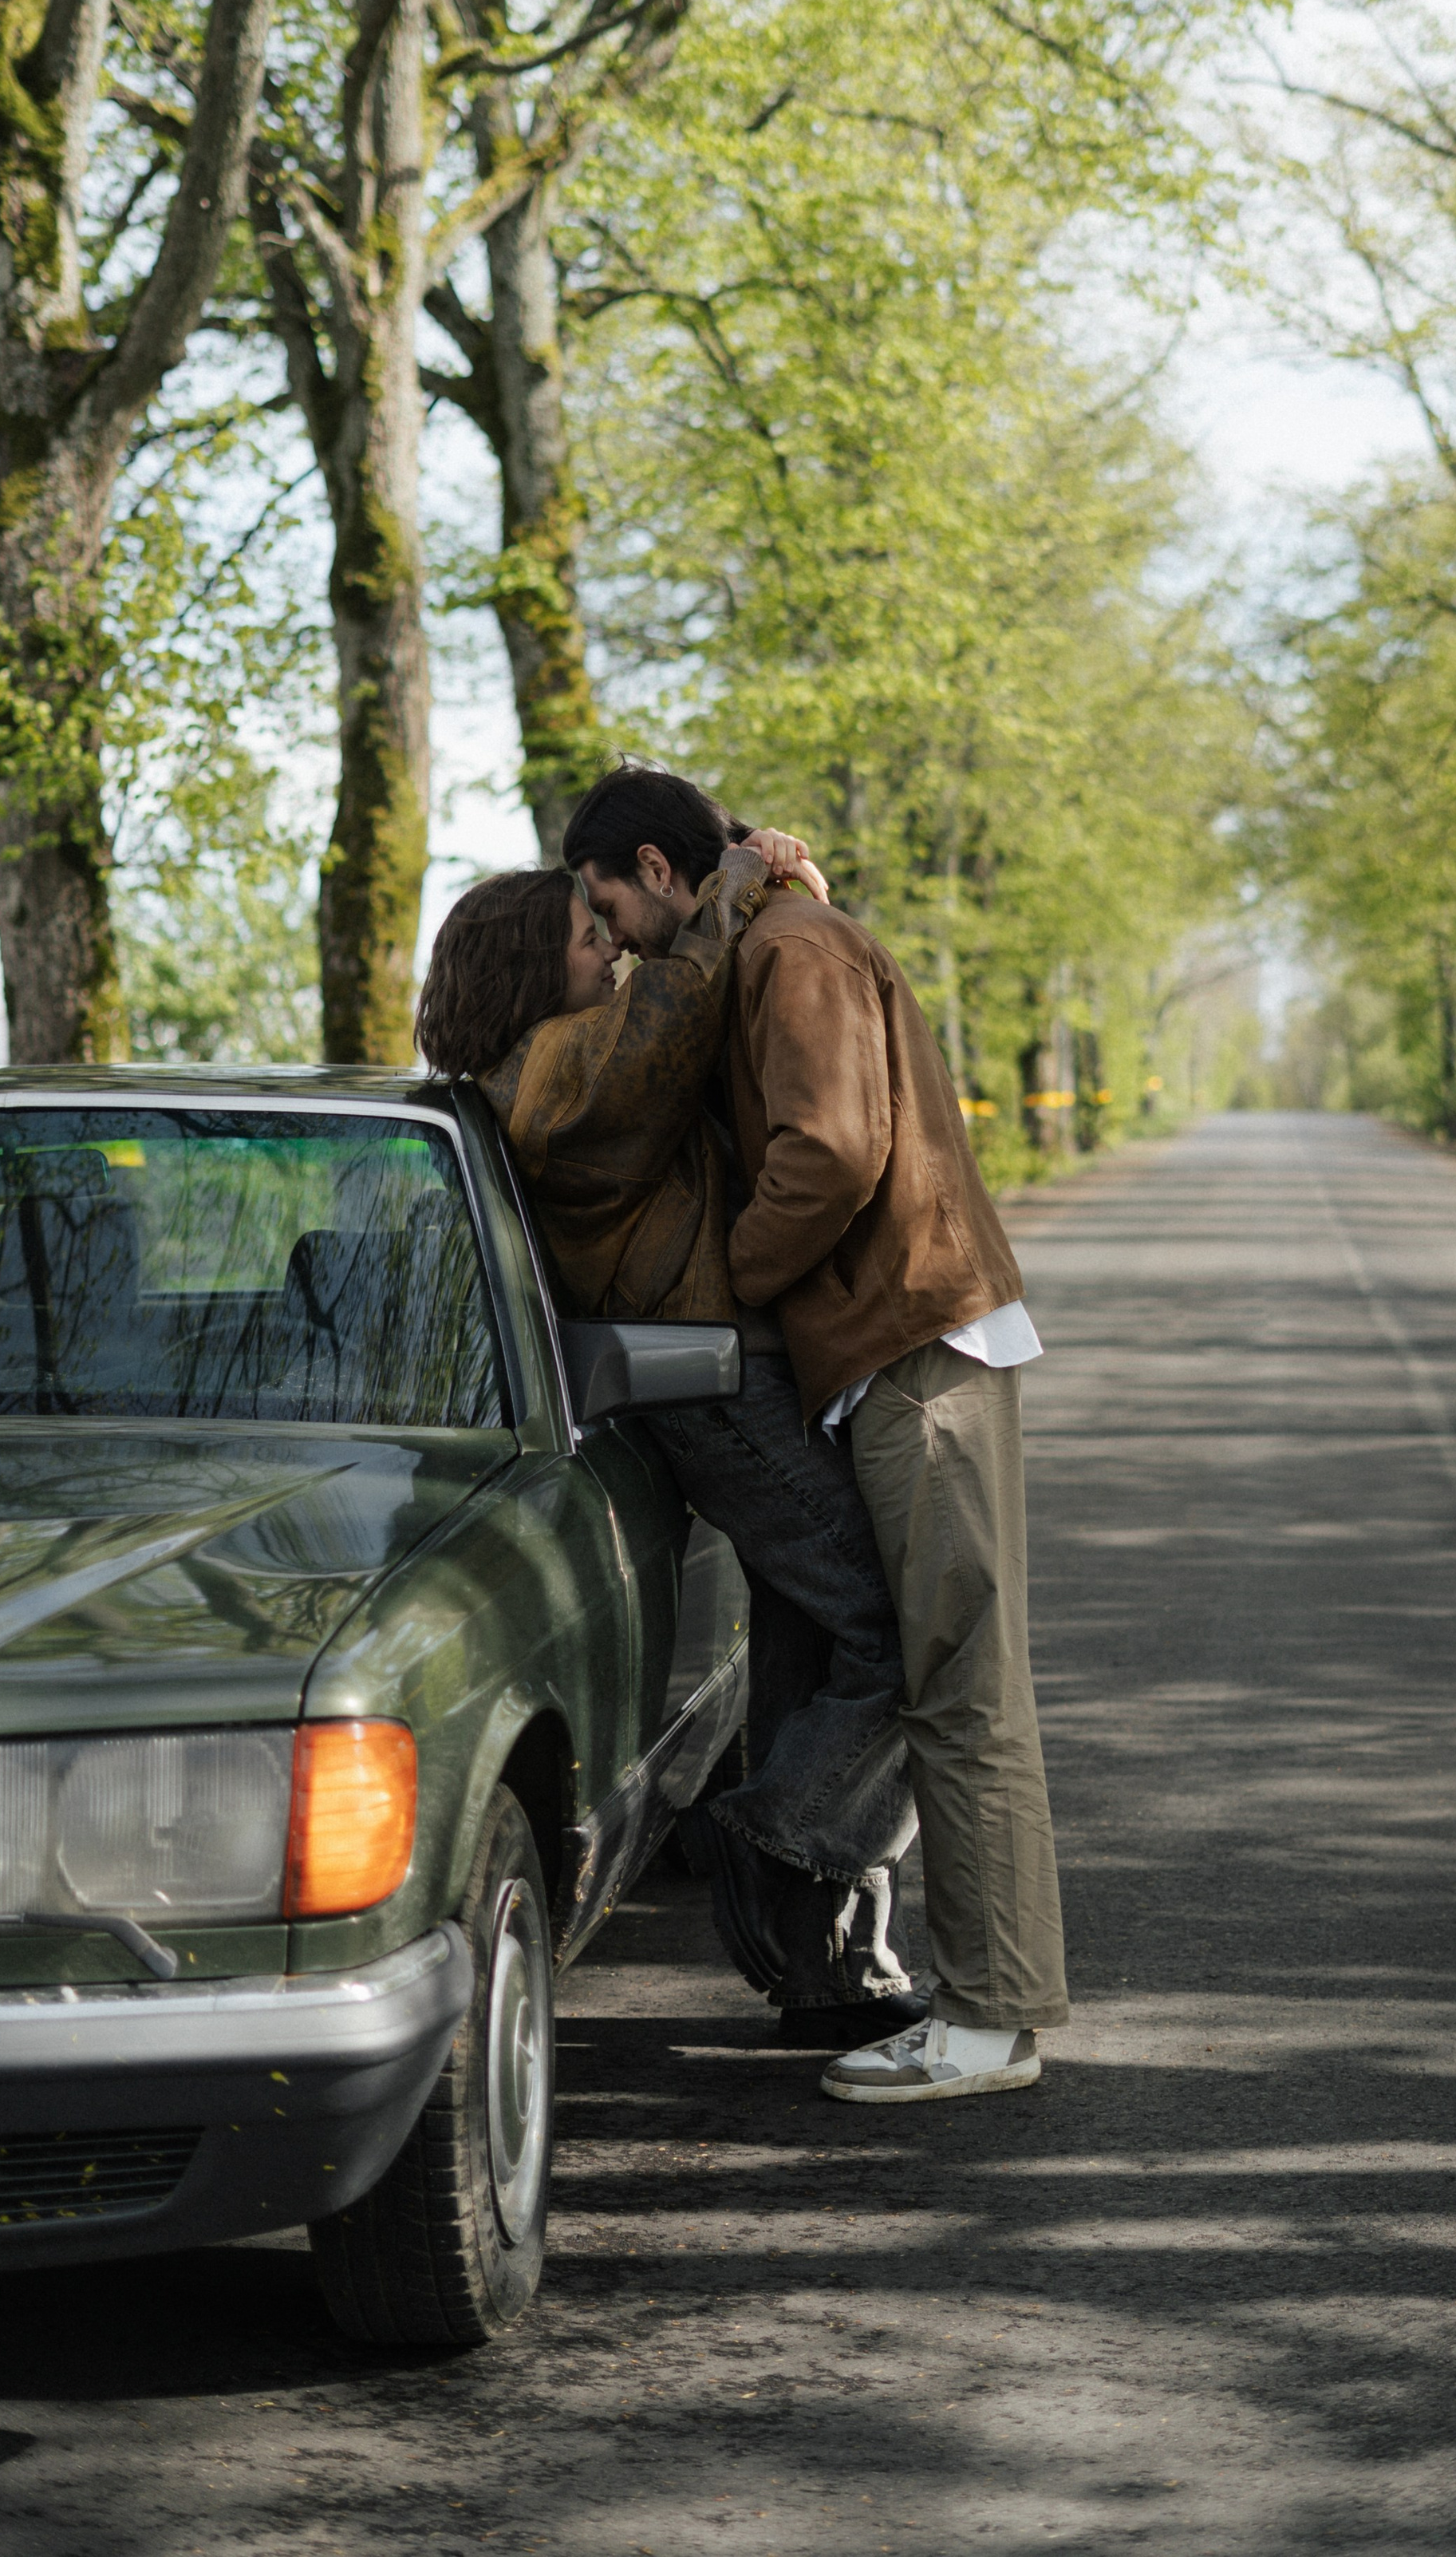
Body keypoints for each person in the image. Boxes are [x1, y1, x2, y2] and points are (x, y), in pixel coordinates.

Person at [564, 765, 1069, 2107]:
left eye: (611, 907)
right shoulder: (777, 942)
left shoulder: (794, 951)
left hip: (917, 1346)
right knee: (947, 1676)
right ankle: (964, 2003)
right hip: (887, 1350)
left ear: (664, 871)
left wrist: (720, 1281)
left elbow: (834, 1153)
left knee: (960, 1687)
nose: (609, 937)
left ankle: (988, 2022)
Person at [414, 836, 925, 2051]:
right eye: (590, 937)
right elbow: (681, 1005)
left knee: (808, 1634)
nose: (616, 950)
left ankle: (825, 1971)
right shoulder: (551, 1071)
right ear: (535, 965)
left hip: (733, 1374)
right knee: (902, 1625)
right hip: (712, 1390)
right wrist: (736, 881)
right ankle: (774, 1835)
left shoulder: (552, 1058)